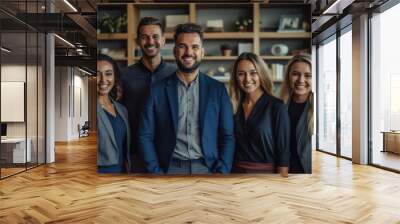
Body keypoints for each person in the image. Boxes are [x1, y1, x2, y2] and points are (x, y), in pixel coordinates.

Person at [138, 23, 235, 174]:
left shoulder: (218, 90)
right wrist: (155, 172)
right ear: (175, 51)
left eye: (195, 47)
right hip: (170, 169)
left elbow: (227, 136)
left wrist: (223, 170)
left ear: (202, 52)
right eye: (182, 46)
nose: (189, 52)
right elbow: (145, 135)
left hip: (208, 168)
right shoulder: (156, 90)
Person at [119, 17, 176, 173]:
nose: (150, 42)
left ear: (163, 41)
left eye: (155, 37)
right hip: (135, 155)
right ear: (138, 41)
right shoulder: (124, 76)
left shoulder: (175, 75)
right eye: (145, 37)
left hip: (171, 154)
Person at [229, 52, 290, 176]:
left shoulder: (277, 106)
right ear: (236, 77)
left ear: (261, 74)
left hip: (266, 175)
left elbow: (283, 153)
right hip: (235, 174)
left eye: (253, 73)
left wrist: (282, 185)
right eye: (241, 74)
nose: (247, 79)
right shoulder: (233, 107)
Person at [97, 54, 131, 173]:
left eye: (108, 73)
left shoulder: (122, 110)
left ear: (115, 77)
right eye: (97, 74)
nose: (103, 80)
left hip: (122, 171)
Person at [280, 53, 313, 174]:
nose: (301, 80)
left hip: (308, 176)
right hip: (282, 175)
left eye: (308, 75)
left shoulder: (320, 109)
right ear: (288, 76)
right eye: (295, 74)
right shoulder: (279, 106)